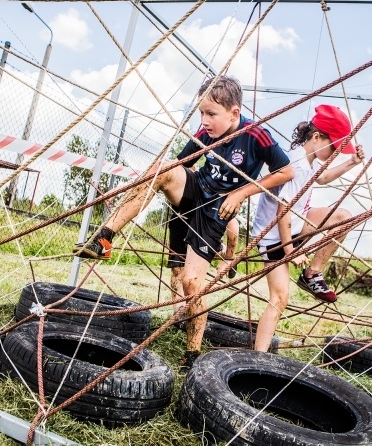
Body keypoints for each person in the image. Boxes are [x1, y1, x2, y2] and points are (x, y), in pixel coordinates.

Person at [74, 75, 293, 370]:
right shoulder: (205, 133)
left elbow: (286, 171)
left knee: (192, 283)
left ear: (234, 113)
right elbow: (182, 164)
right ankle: (104, 238)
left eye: (211, 114)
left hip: (217, 209)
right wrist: (149, 186)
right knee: (163, 171)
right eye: (201, 113)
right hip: (196, 190)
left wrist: (242, 193)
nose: (204, 120)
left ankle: (192, 354)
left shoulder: (256, 136)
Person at [251, 104, 365, 352]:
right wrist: (291, 251)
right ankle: (258, 357)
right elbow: (282, 210)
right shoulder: (298, 165)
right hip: (274, 237)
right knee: (279, 298)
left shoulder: (309, 160)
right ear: (316, 137)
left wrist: (352, 163)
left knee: (343, 217)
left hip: (296, 224)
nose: (336, 153)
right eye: (334, 147)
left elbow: (322, 178)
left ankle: (312, 274)